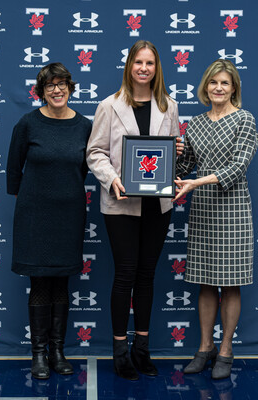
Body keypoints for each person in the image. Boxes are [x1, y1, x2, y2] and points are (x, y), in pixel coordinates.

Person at [86, 40, 183, 380]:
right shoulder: (109, 106)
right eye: (138, 62)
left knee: (147, 275)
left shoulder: (169, 105)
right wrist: (112, 178)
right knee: (125, 273)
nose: (144, 68)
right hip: (121, 203)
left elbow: (170, 153)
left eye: (150, 63)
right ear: (129, 66)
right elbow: (95, 152)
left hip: (159, 203)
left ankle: (142, 348)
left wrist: (176, 156)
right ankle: (120, 351)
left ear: (157, 69)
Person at [173, 59, 258, 380]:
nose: (218, 88)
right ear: (205, 87)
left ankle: (226, 349)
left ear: (234, 87)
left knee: (231, 283)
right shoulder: (194, 124)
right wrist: (174, 155)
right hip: (204, 209)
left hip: (234, 209)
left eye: (224, 83)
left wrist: (196, 181)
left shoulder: (244, 120)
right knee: (206, 283)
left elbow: (237, 168)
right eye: (213, 83)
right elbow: (184, 170)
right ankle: (204, 347)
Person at [6, 63, 92, 380]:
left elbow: (81, 170)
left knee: (62, 283)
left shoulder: (84, 125)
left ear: (70, 87)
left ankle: (58, 350)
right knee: (40, 283)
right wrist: (34, 202)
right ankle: (39, 354)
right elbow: (14, 171)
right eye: (49, 85)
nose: (56, 90)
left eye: (62, 84)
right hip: (34, 214)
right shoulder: (27, 124)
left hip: (69, 214)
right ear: (41, 91)